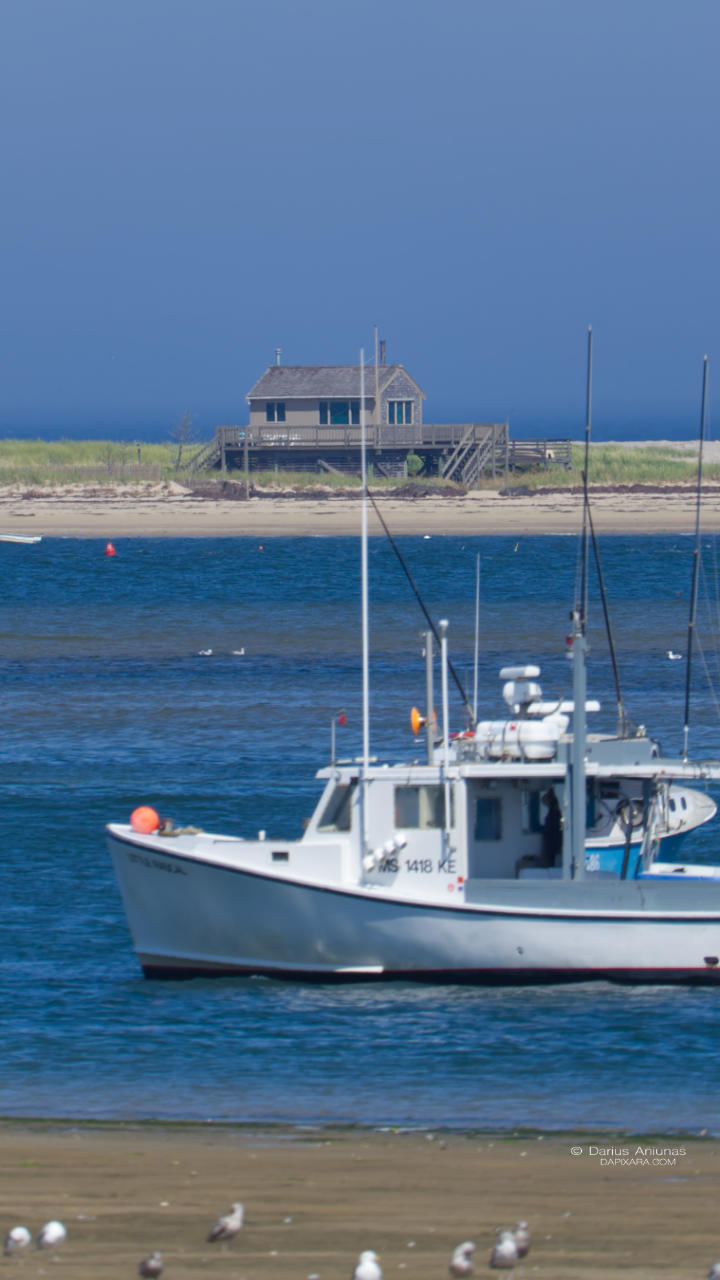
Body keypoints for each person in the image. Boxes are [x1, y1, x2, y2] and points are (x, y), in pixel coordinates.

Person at [541, 788, 562, 866]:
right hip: (552, 836)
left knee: (551, 855)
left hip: (554, 836)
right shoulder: (555, 812)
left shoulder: (555, 812)